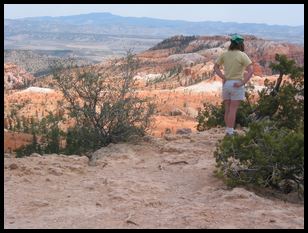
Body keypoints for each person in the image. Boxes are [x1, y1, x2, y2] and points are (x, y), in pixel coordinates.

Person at [214, 34, 254, 136]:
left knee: (227, 108)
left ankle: (228, 130)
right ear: (241, 44)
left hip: (226, 84)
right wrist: (242, 82)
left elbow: (215, 67)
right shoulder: (242, 55)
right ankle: (230, 132)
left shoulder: (224, 54)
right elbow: (250, 70)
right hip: (236, 84)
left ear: (231, 43)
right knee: (233, 109)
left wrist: (223, 77)